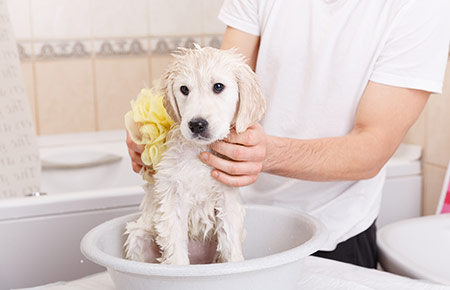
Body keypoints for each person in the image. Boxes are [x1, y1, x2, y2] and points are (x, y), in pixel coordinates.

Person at [127, 0, 450, 268]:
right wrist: (156, 132)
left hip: (332, 230)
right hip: (236, 214)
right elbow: (224, 81)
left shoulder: (420, 8)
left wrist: (269, 154)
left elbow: (372, 150)